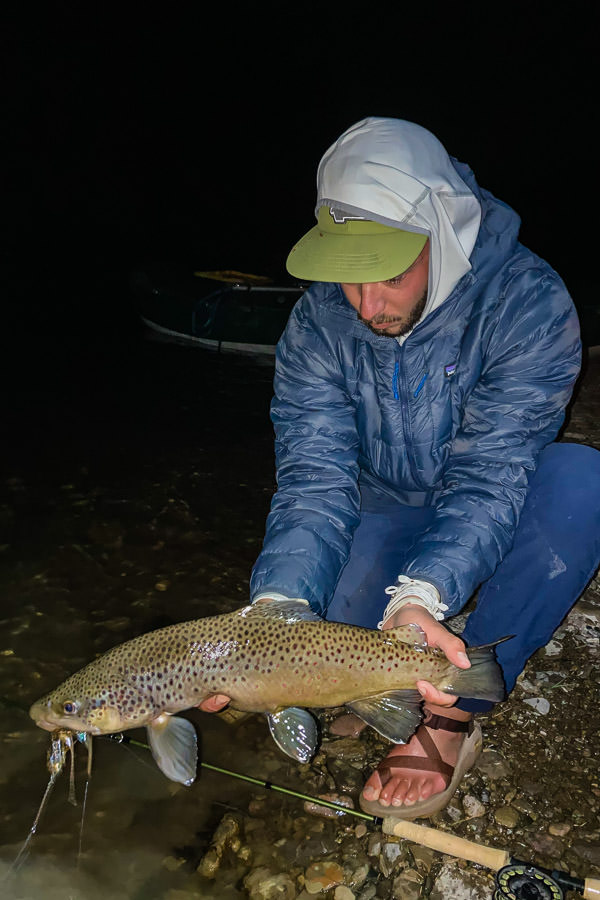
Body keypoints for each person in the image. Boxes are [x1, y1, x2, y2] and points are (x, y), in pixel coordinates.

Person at [201, 117, 600, 819]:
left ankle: (454, 713)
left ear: (442, 230)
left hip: (498, 497)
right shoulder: (317, 325)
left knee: (582, 487)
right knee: (308, 630)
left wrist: (422, 593)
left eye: (386, 273)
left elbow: (491, 475)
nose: (366, 305)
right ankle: (369, 690)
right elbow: (314, 481)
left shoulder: (530, 303)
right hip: (382, 501)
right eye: (349, 278)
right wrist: (277, 608)